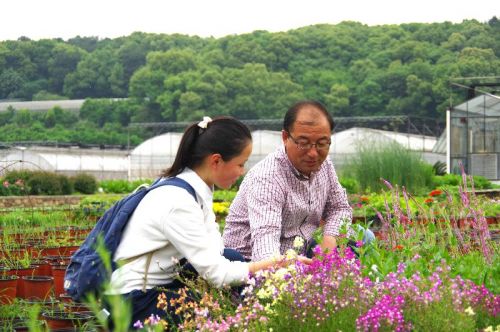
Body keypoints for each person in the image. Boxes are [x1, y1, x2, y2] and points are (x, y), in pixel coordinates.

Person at [108, 116, 309, 327]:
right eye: (240, 164)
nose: (243, 172)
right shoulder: (178, 202)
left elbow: (216, 249)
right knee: (211, 306)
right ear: (216, 161)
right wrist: (274, 263)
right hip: (132, 301)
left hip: (158, 285)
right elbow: (217, 274)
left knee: (231, 260)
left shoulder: (196, 188)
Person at [223, 100, 374, 262]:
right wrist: (290, 268)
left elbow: (339, 208)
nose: (313, 153)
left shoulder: (325, 165)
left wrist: (330, 240)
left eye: (322, 144)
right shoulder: (268, 177)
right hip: (250, 262)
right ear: (285, 137)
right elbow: (265, 244)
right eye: (304, 143)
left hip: (300, 249)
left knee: (364, 236)